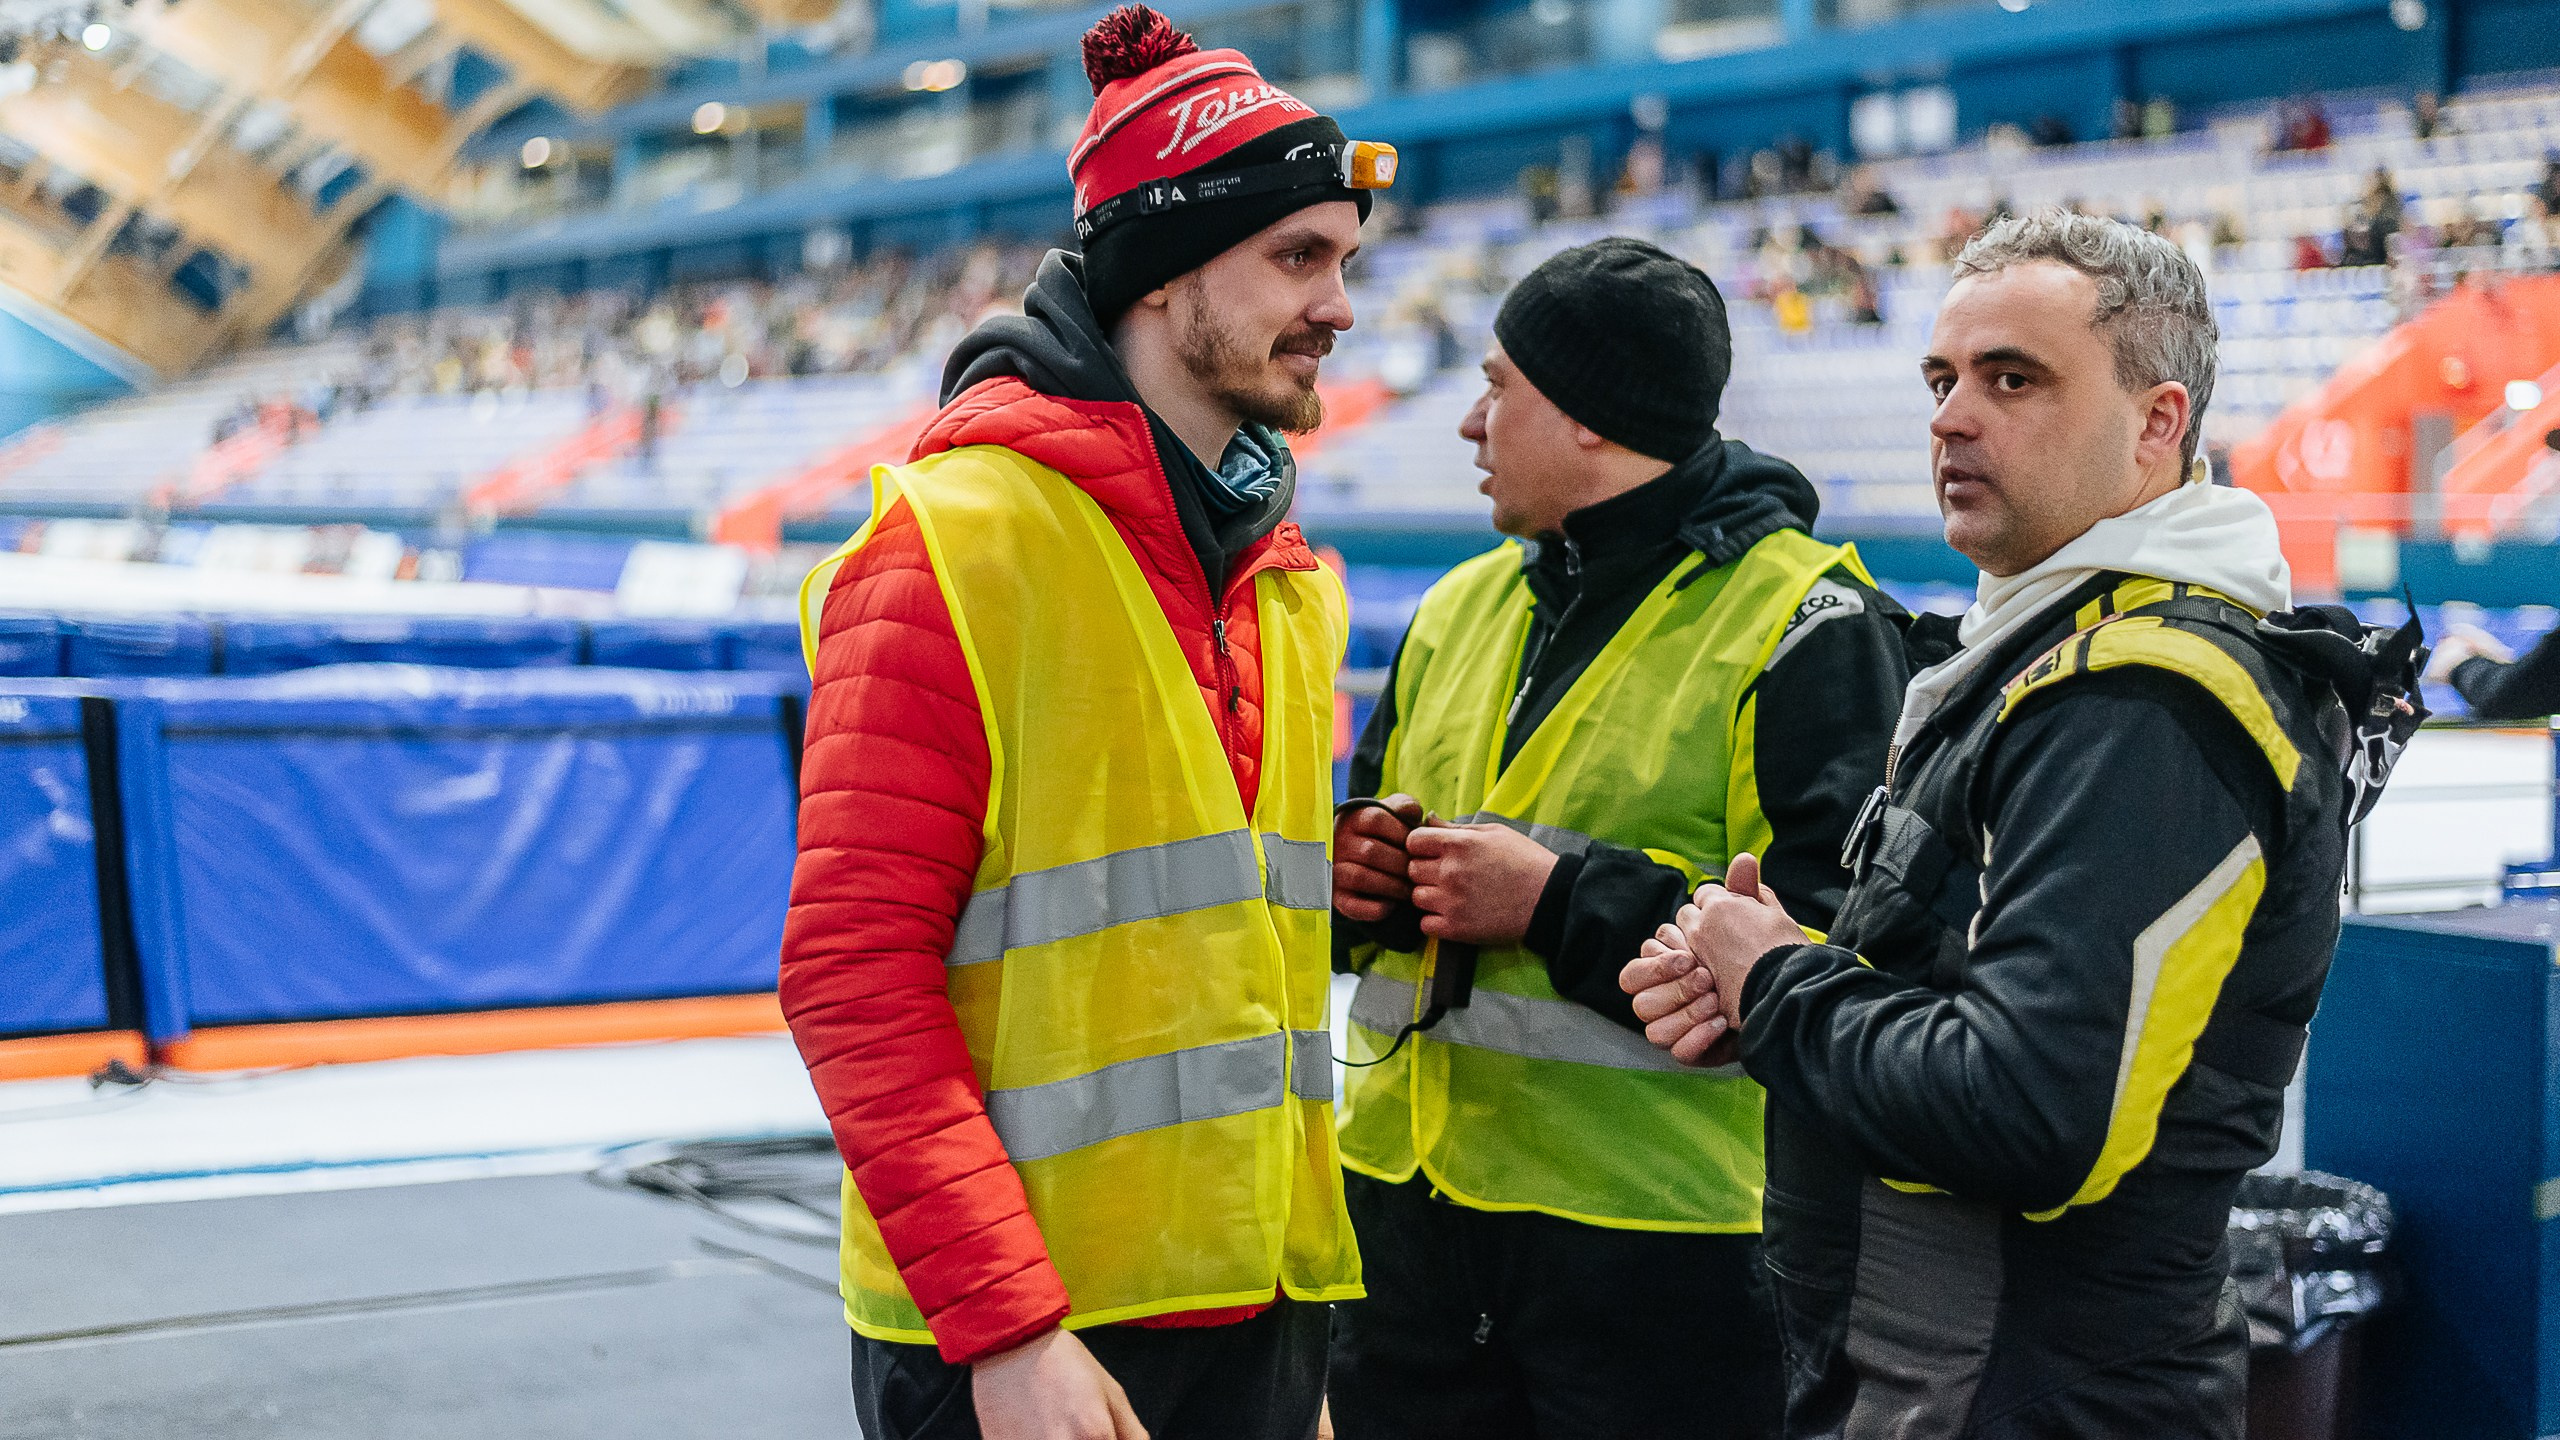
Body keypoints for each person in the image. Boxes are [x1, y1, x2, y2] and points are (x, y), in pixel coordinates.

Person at [1624, 212, 2422, 1437]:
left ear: (2158, 422)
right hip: (1946, 1375)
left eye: (2012, 379)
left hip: (2022, 1392)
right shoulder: (2054, 654)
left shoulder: (2145, 705)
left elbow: (2027, 1113)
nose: (1950, 416)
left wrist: (1780, 984)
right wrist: (1783, 993)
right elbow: (1972, 1003)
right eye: (1942, 378)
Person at [780, 7, 1396, 1435]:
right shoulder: (950, 545)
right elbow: (853, 976)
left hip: (1258, 1320)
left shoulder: (1286, 581)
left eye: (1346, 261)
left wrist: (1292, 1333)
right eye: (1298, 257)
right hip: (1027, 1340)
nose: (1343, 306)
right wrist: (1008, 1329)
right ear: (1166, 269)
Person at [1326, 238, 1911, 1439]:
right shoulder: (1457, 606)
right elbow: (1362, 871)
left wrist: (1552, 902)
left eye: (1498, 389)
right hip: (1405, 1221)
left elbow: (1839, 956)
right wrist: (1358, 882)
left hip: (1662, 1252)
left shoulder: (1806, 621)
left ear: (1589, 416)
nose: (1470, 424)